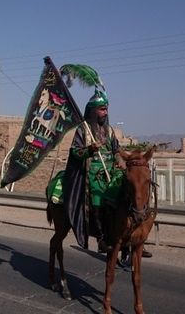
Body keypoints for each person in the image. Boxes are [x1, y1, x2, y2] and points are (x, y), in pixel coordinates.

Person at [62, 90, 126, 253]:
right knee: (98, 195)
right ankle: (101, 238)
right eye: (102, 109)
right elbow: (75, 152)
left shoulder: (109, 130)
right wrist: (90, 149)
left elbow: (116, 150)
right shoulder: (83, 130)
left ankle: (129, 238)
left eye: (106, 109)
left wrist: (119, 160)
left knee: (128, 190)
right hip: (92, 172)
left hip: (111, 170)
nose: (105, 112)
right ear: (93, 110)